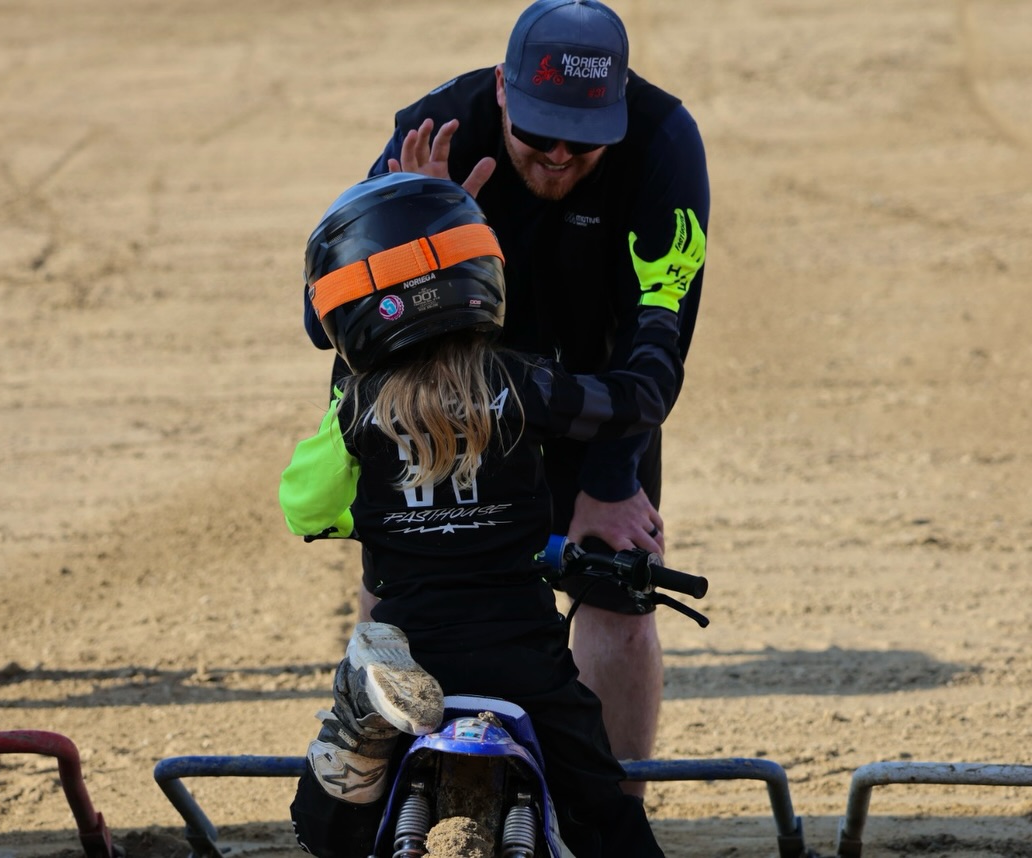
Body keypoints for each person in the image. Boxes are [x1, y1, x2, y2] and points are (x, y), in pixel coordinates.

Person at [302, 0, 710, 787]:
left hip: (591, 386)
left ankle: (608, 796)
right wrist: (415, 222)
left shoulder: (661, 138)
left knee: (616, 591)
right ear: (501, 90)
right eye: (537, 135)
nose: (559, 157)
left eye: (585, 142)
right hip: (434, 391)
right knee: (403, 595)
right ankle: (382, 794)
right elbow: (329, 324)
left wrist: (609, 484)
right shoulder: (434, 131)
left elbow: (661, 331)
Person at [281, 171, 682, 856]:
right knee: (607, 820)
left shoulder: (352, 410)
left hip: (411, 650)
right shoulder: (523, 383)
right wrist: (661, 301)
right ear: (480, 274)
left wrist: (373, 513)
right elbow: (635, 400)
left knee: (326, 834)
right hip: (524, 659)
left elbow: (306, 510)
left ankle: (359, 726)